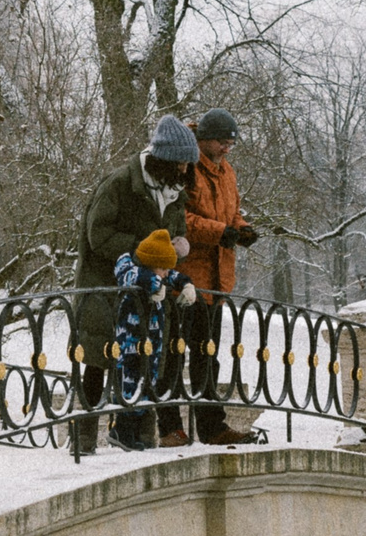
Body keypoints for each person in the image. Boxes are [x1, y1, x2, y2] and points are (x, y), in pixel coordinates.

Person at [70, 116, 199, 454]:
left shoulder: (174, 192)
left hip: (148, 295)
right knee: (97, 359)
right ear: (163, 160)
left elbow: (174, 233)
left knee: (145, 360)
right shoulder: (119, 185)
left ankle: (138, 437)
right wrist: (144, 251)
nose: (185, 170)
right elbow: (98, 235)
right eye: (181, 163)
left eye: (188, 164)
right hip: (105, 288)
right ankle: (83, 440)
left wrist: (178, 247)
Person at [174, 108, 258, 445]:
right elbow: (180, 219)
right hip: (186, 278)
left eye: (230, 144)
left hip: (216, 280)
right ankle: (172, 426)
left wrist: (241, 228)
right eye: (222, 142)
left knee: (207, 354)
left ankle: (211, 426)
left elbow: (231, 213)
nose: (226, 148)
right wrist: (221, 232)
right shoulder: (187, 167)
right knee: (176, 353)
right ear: (205, 139)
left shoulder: (227, 172)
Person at [110, 229, 197, 449]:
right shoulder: (129, 267)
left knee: (148, 380)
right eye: (163, 269)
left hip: (151, 341)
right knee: (130, 380)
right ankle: (122, 429)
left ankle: (135, 431)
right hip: (131, 341)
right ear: (151, 263)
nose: (166, 274)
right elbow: (132, 275)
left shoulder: (157, 271)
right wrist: (154, 284)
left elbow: (172, 275)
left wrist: (186, 284)